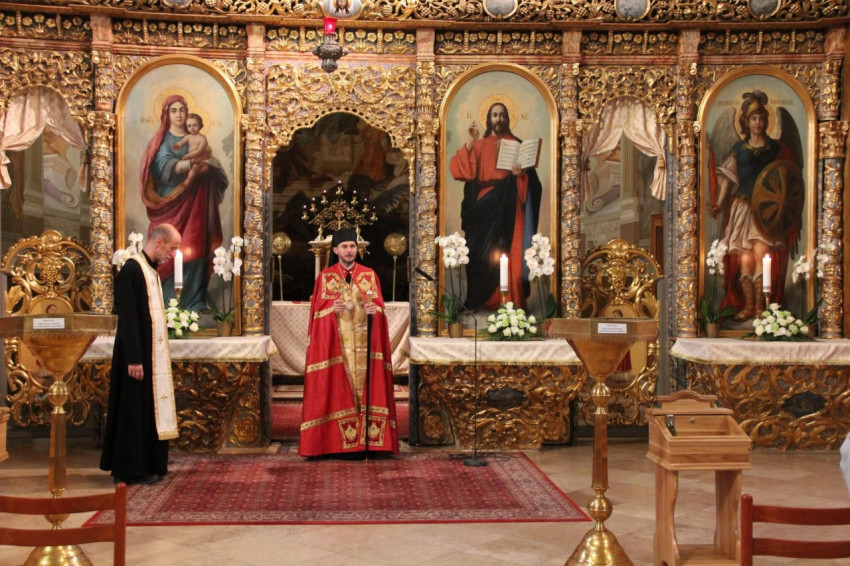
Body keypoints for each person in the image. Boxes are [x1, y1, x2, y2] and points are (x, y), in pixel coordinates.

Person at [299, 228, 399, 458]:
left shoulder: (369, 275)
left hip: (364, 351)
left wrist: (375, 311)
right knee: (338, 390)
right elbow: (316, 318)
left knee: (366, 389)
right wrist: (330, 311)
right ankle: (333, 444)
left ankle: (370, 443)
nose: (349, 251)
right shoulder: (325, 278)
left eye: (352, 246)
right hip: (339, 350)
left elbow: (380, 309)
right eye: (344, 247)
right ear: (335, 250)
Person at [100, 224, 182, 485]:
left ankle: (148, 464)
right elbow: (128, 318)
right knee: (133, 411)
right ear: (158, 242)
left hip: (149, 354)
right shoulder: (132, 270)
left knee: (146, 409)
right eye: (172, 248)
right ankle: (130, 469)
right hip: (135, 356)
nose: (173, 254)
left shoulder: (150, 269)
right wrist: (134, 358)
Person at [709, 90, 800, 320]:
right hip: (742, 209)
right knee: (744, 259)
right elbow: (728, 180)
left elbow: (788, 178)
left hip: (765, 212)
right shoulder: (739, 150)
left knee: (761, 254)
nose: (758, 122)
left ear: (767, 121)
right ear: (746, 122)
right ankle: (748, 306)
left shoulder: (775, 149)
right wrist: (718, 204)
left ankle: (761, 306)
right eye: (753, 118)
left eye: (761, 118)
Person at [449, 102, 543, 310]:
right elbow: (460, 170)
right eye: (494, 115)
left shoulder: (516, 144)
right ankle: (480, 300)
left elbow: (533, 186)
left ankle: (509, 300)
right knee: (478, 255)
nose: (498, 119)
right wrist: (471, 141)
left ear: (507, 118)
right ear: (489, 119)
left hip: (509, 204)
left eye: (502, 115)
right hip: (483, 205)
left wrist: (520, 176)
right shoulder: (480, 145)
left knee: (509, 250)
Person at [139, 94, 228, 312]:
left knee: (196, 245)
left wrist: (209, 167)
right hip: (170, 201)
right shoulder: (163, 141)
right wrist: (192, 164)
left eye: (182, 110)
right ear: (166, 114)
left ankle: (195, 301)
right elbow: (163, 168)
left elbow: (212, 164)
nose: (179, 115)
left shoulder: (196, 138)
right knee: (168, 249)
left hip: (196, 201)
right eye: (174, 110)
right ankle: (166, 303)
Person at [171, 113, 210, 188]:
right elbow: (182, 143)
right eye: (189, 126)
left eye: (195, 125)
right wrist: (177, 145)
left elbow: (199, 151)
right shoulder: (188, 137)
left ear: (200, 125)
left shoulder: (202, 138)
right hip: (191, 160)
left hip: (200, 160)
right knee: (187, 167)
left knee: (196, 167)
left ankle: (188, 181)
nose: (192, 128)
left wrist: (188, 156)